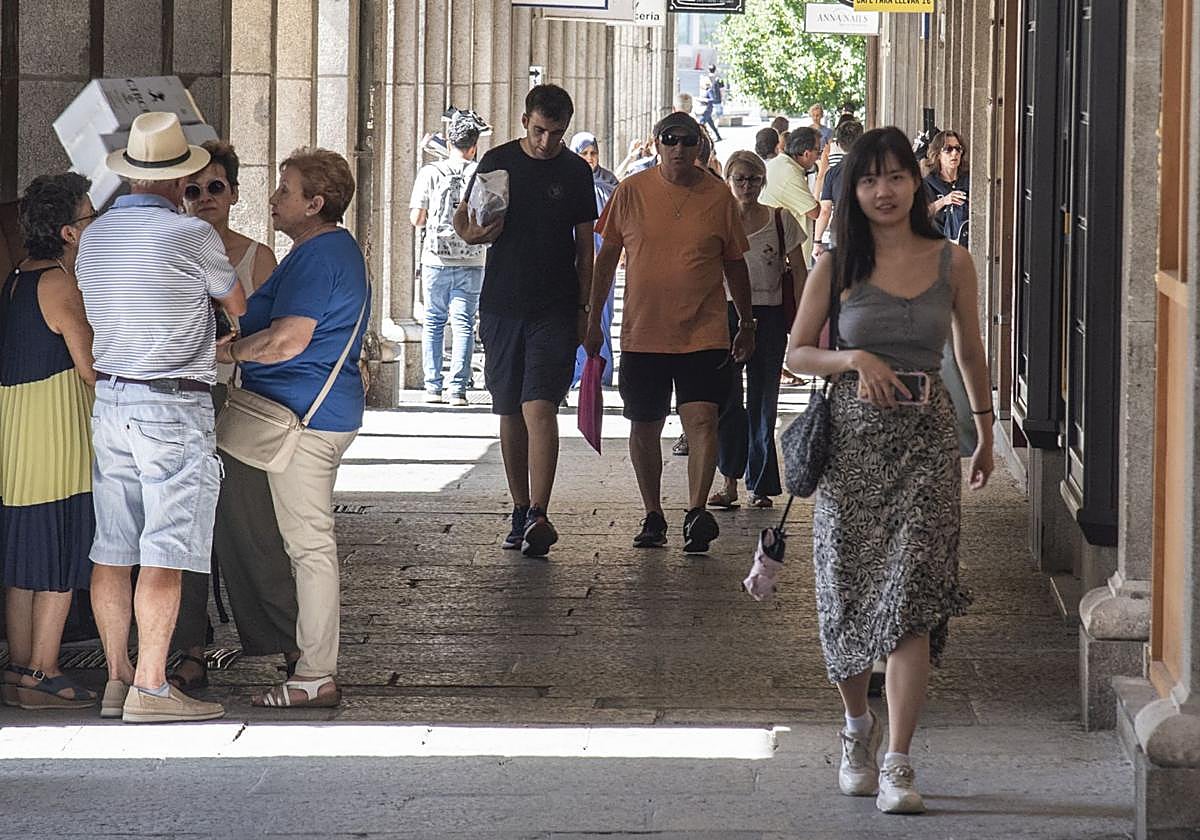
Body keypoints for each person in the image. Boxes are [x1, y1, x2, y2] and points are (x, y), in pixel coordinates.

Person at [785, 126, 993, 814]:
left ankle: (899, 760)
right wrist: (854, 359)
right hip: (852, 448)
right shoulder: (836, 264)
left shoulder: (952, 261)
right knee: (846, 591)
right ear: (853, 189)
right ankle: (856, 730)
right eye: (870, 179)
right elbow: (797, 354)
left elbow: (969, 349)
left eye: (897, 176)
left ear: (916, 180)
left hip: (926, 446)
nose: (883, 191)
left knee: (912, 595)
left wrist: (986, 429)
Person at [76, 111, 246, 723]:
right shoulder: (190, 234)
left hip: (112, 401)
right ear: (181, 178)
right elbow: (235, 300)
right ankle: (152, 686)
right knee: (166, 549)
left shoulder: (93, 236)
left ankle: (117, 679)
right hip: (171, 404)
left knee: (113, 548)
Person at [215, 148, 369, 709]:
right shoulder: (331, 251)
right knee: (305, 544)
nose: (273, 198)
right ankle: (311, 665)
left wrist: (226, 353)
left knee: (309, 547)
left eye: (285, 189)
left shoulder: (317, 257)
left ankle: (315, 673)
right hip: (314, 412)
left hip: (302, 418)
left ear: (315, 204)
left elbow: (288, 341)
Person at [587, 111, 754, 554]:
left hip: (705, 331)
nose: (679, 148)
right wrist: (591, 321)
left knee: (701, 419)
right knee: (644, 424)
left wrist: (747, 321)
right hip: (644, 333)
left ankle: (696, 511)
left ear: (701, 146)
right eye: (670, 139)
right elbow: (606, 258)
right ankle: (653, 513)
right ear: (656, 144)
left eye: (688, 140)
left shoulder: (719, 198)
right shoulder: (630, 192)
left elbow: (735, 263)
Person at [454, 84, 597, 558]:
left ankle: (539, 509)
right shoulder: (497, 160)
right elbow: (463, 218)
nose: (546, 142)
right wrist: (473, 232)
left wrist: (585, 310)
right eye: (539, 131)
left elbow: (585, 250)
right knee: (509, 408)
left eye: (556, 134)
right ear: (524, 122)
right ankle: (519, 507)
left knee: (541, 406)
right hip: (501, 303)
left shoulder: (576, 172)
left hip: (554, 306)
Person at [169, 139, 285, 694]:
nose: (205, 197)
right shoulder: (169, 249)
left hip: (239, 403)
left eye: (216, 186)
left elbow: (274, 333)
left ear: (234, 193)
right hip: (182, 400)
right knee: (185, 532)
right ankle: (187, 646)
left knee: (253, 529)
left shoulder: (256, 256)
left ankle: (284, 641)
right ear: (179, 194)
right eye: (194, 188)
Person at [0, 173, 98, 710]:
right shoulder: (60, 285)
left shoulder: (17, 279)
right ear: (67, 231)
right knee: (59, 554)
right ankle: (45, 668)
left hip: (19, 432)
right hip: (55, 432)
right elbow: (89, 368)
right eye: (87, 217)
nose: (93, 224)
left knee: (23, 557)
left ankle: (19, 666)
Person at [709, 152, 806, 510]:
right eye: (740, 179)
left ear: (763, 182)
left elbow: (798, 271)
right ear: (729, 181)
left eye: (753, 179)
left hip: (770, 316)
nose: (746, 186)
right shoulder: (719, 221)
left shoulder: (782, 220)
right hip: (727, 315)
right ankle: (729, 480)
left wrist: (801, 323)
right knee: (729, 401)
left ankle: (761, 483)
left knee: (764, 401)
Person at [410, 111, 488, 405]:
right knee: (464, 324)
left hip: (435, 258)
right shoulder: (481, 174)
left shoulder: (430, 172)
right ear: (474, 146)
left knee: (433, 321)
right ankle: (458, 389)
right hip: (472, 258)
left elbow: (416, 218)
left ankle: (433, 386)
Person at [569, 131, 619, 387]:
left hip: (604, 255)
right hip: (578, 256)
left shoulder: (609, 182)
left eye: (593, 153)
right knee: (579, 311)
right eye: (584, 154)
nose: (589, 159)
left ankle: (602, 367)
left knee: (602, 312)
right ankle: (580, 371)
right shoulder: (570, 180)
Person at [760, 127, 821, 267]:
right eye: (818, 151)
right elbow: (814, 211)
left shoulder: (780, 163)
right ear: (806, 153)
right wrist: (822, 175)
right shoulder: (790, 173)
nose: (818, 157)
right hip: (785, 254)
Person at [814, 119, 865, 256]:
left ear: (839, 144)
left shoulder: (832, 173)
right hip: (869, 229)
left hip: (841, 229)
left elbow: (825, 210)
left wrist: (817, 241)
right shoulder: (874, 169)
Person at [923, 130, 969, 248]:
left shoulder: (969, 179)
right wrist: (944, 201)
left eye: (958, 149)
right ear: (938, 154)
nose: (954, 154)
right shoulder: (929, 183)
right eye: (948, 149)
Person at [698, 78, 723, 143]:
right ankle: (718, 136)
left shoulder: (709, 91)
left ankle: (701, 138)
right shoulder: (708, 91)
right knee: (711, 125)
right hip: (708, 110)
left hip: (707, 110)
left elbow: (712, 99)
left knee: (701, 123)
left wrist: (703, 100)